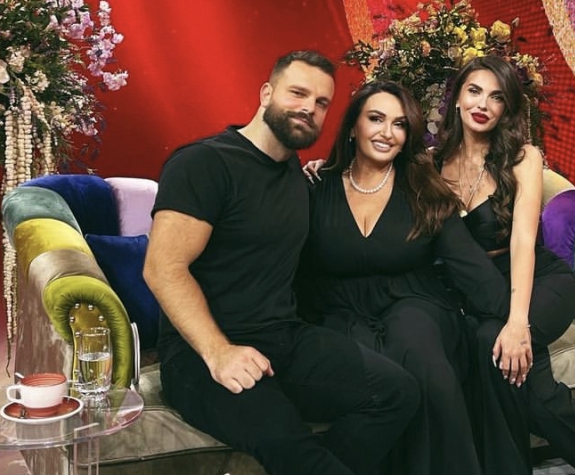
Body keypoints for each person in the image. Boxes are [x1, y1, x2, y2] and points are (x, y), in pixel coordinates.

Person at [143, 51, 421, 475]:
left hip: (284, 339)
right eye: (298, 93)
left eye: (322, 102)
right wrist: (219, 353)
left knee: (397, 392)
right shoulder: (203, 163)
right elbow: (162, 269)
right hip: (202, 354)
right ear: (266, 93)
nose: (309, 108)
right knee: (292, 444)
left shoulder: (296, 172)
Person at [433, 55, 575, 475]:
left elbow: (523, 241)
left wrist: (518, 323)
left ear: (507, 108)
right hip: (481, 288)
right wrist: (321, 170)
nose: (482, 104)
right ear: (456, 98)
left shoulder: (522, 157)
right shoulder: (432, 163)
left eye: (496, 97)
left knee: (495, 342)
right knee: (532, 393)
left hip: (541, 281)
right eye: (474, 91)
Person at [296, 80, 511, 475]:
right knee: (378, 373)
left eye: (398, 124)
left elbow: (471, 269)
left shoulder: (425, 191)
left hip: (416, 304)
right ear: (353, 127)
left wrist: (518, 322)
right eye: (376, 119)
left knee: (420, 354)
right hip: (338, 313)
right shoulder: (313, 187)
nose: (387, 133)